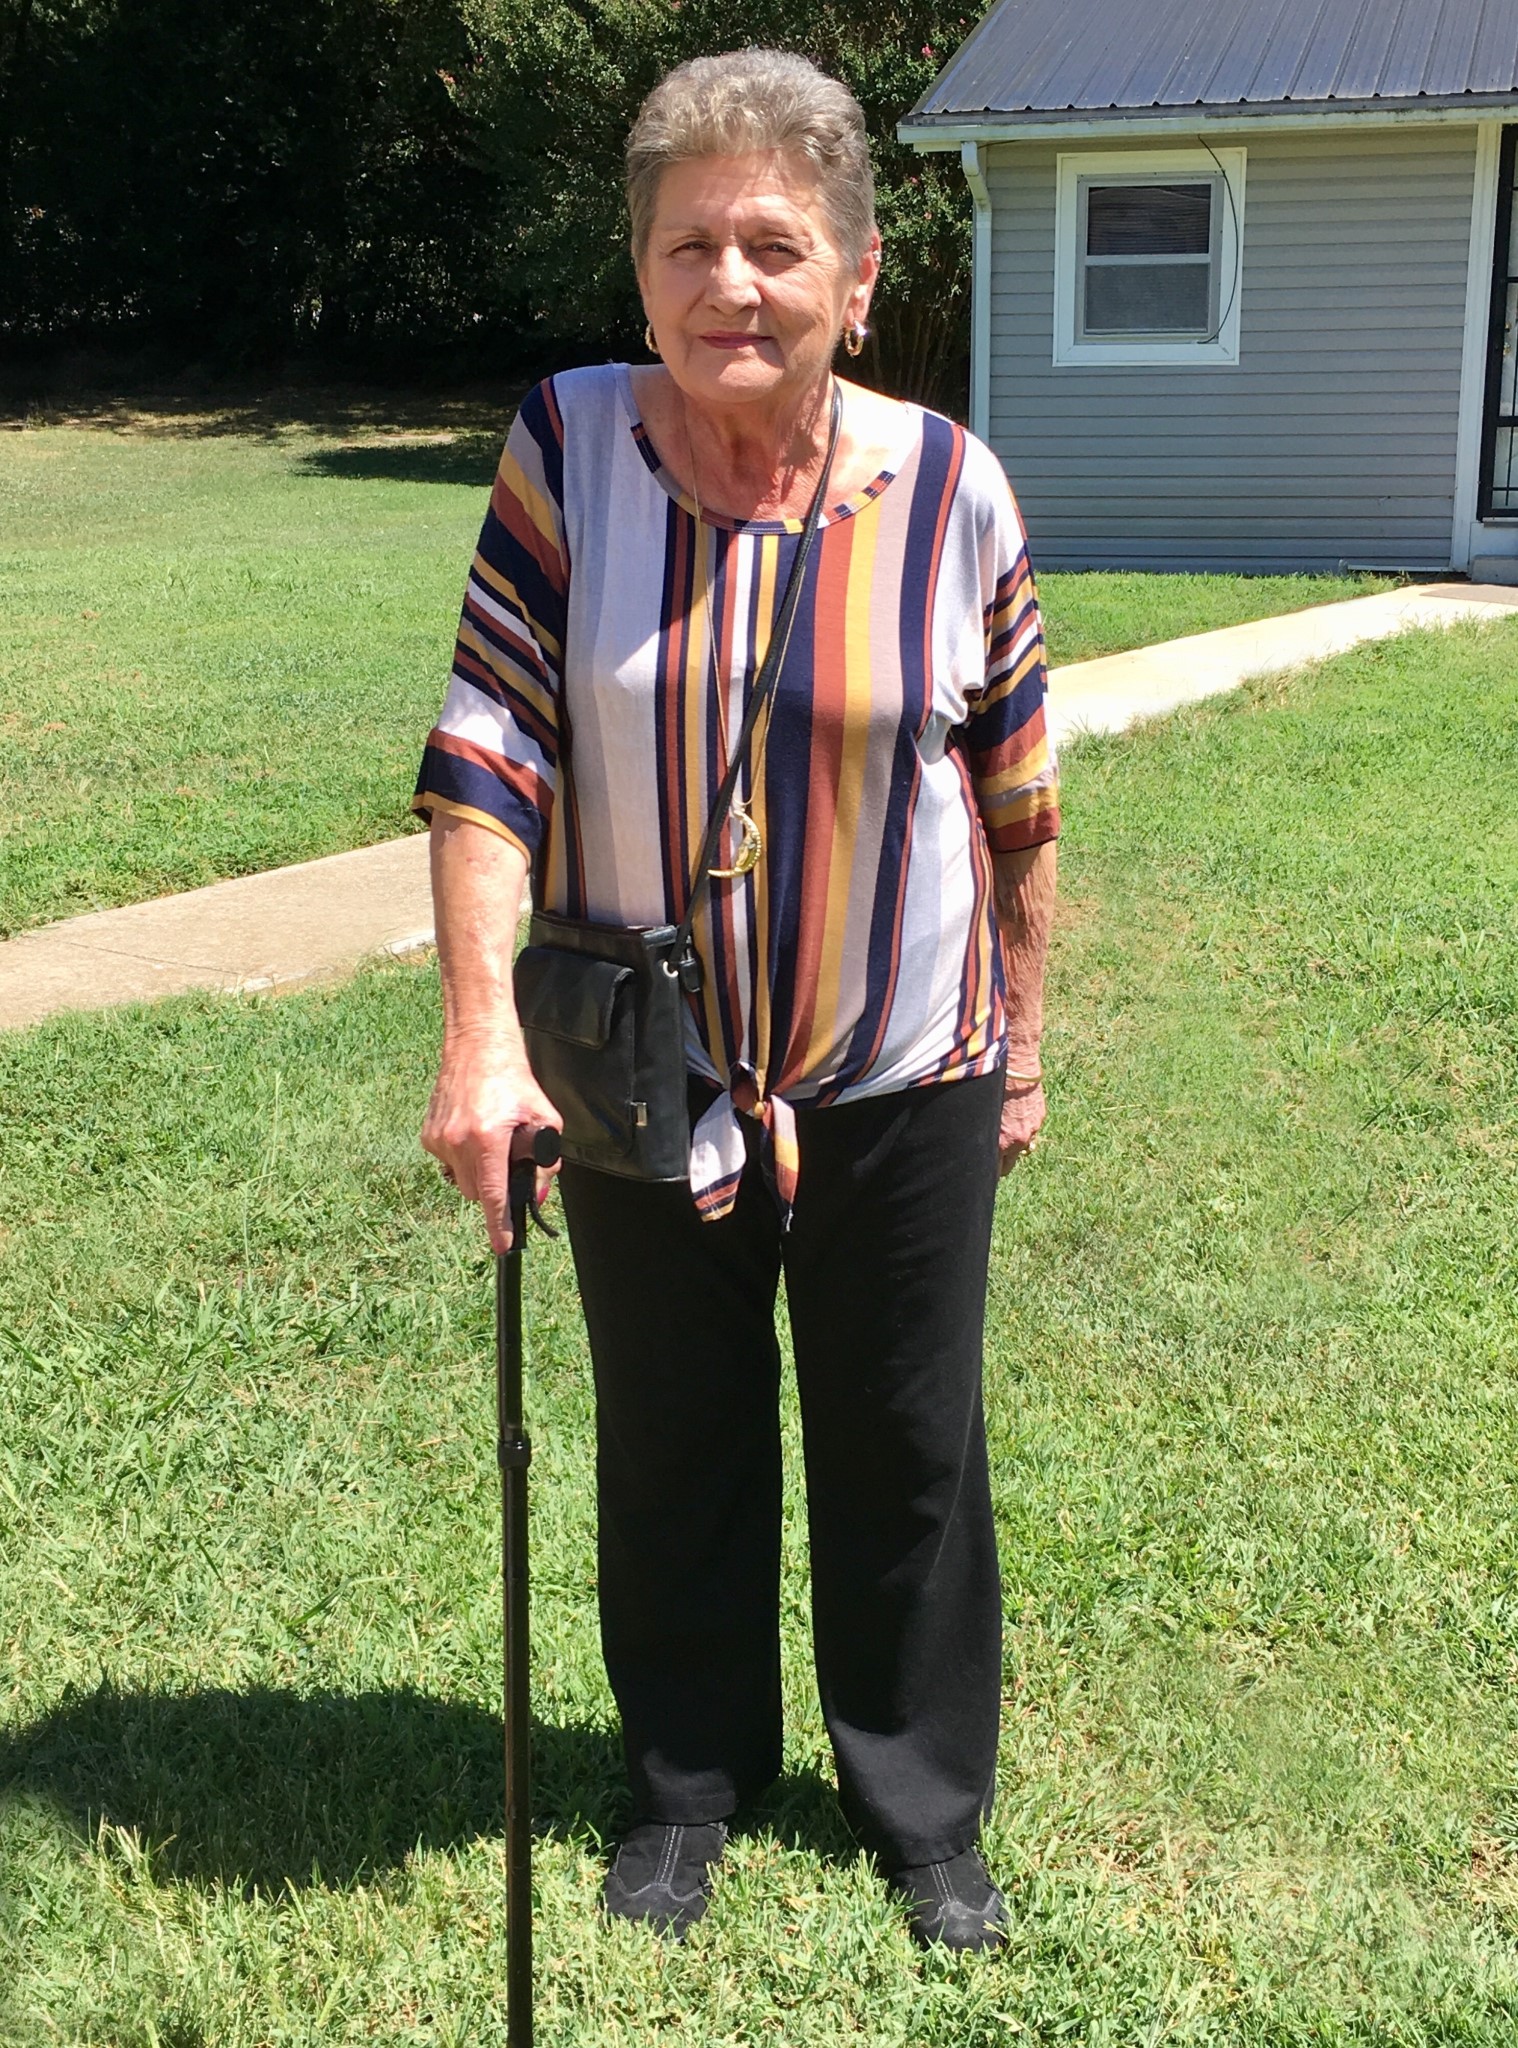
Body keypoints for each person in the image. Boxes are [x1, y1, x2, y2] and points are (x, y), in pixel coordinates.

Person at [413, 47, 1059, 1953]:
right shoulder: (566, 444)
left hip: (905, 1059)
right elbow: (485, 745)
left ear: (857, 274)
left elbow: (1018, 799)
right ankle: (686, 1790)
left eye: (774, 245)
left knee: (905, 1442)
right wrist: (478, 1035)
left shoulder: (950, 487)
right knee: (671, 1435)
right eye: (687, 245)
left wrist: (1022, 1043)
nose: (730, 286)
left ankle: (919, 1809)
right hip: (639, 1066)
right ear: (639, 274)